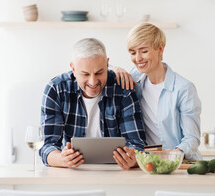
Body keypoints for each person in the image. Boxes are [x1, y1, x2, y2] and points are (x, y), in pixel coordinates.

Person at [39, 38, 146, 169]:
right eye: (85, 74)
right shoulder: (56, 89)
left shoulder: (123, 90)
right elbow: (47, 146)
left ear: (107, 64)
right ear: (73, 68)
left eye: (99, 73)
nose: (93, 81)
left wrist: (133, 158)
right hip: (73, 172)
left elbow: (137, 144)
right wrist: (61, 159)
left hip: (116, 172)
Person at [113, 23, 202, 160]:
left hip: (180, 165)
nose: (137, 58)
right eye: (132, 52)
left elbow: (192, 139)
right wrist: (114, 69)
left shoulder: (183, 88)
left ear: (160, 49)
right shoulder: (135, 78)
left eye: (144, 51)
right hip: (149, 164)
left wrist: (171, 155)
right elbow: (97, 69)